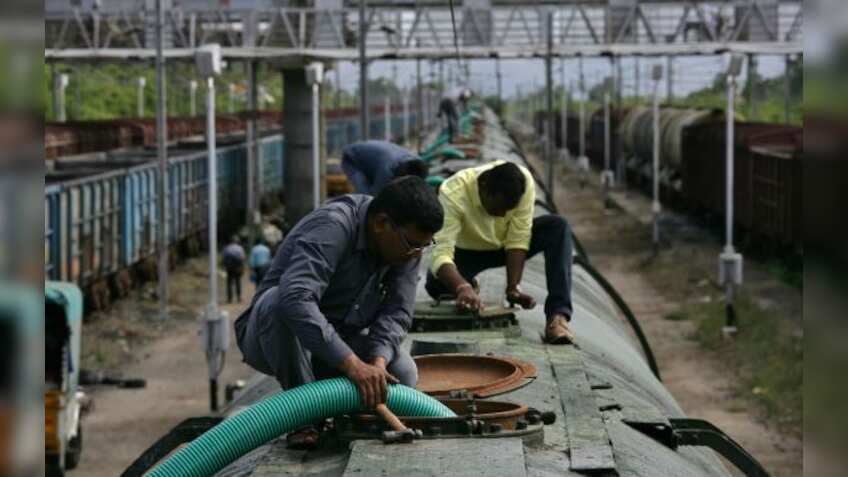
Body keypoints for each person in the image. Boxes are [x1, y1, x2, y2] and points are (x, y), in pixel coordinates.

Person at [234, 176, 443, 448]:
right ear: (381, 224)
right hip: (273, 338)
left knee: (402, 373)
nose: (416, 254)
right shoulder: (334, 226)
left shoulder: (406, 246)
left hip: (336, 340)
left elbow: (397, 311)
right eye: (412, 245)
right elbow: (296, 298)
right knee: (278, 301)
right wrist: (352, 365)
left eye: (424, 246)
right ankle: (303, 418)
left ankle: (352, 414)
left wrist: (378, 361)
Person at [424, 161, 575, 344]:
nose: (503, 215)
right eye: (498, 207)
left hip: (504, 247)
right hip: (467, 251)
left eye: (508, 210)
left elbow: (518, 238)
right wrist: (462, 287)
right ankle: (468, 283)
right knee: (437, 284)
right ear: (483, 186)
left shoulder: (524, 182)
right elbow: (441, 252)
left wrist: (513, 288)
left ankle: (557, 317)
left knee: (558, 227)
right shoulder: (453, 193)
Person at [341, 141, 429, 196]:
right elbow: (377, 196)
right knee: (366, 196)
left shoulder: (419, 164)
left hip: (372, 159)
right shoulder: (387, 170)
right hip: (352, 159)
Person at [222, 236, 246, 303]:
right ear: (237, 241)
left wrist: (224, 266)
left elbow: (224, 258)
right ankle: (239, 297)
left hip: (229, 267)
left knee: (229, 283)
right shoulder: (240, 248)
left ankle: (229, 299)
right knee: (238, 282)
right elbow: (243, 258)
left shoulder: (226, 248)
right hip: (238, 267)